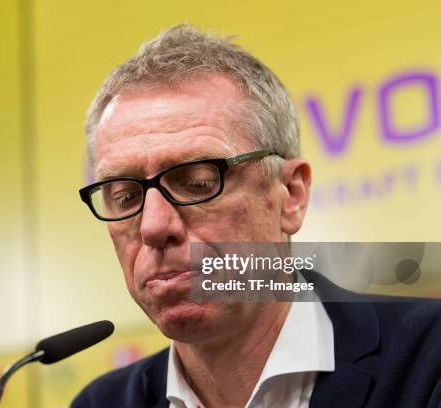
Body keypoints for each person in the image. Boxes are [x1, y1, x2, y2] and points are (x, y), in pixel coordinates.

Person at [72, 24, 441, 408]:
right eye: (126, 195)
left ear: (291, 195)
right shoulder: (101, 402)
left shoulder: (428, 361)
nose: (153, 226)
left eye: (197, 182)